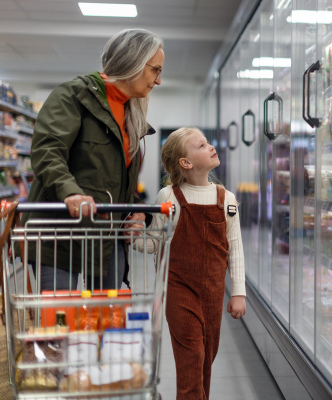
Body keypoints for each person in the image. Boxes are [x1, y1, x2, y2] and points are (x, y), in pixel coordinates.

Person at [21, 28, 164, 291]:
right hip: (59, 235)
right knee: (60, 326)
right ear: (133, 61)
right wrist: (70, 192)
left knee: (107, 322)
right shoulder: (73, 96)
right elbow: (47, 151)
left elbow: (113, 179)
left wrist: (138, 210)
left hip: (106, 238)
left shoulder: (132, 115)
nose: (158, 80)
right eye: (155, 70)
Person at [142, 126, 246, 399]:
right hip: (177, 290)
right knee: (192, 359)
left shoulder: (227, 200)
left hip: (212, 293)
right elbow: (153, 243)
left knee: (204, 363)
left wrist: (238, 292)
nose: (210, 146)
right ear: (185, 163)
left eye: (208, 142)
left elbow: (235, 248)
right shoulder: (168, 198)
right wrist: (132, 236)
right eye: (201, 145)